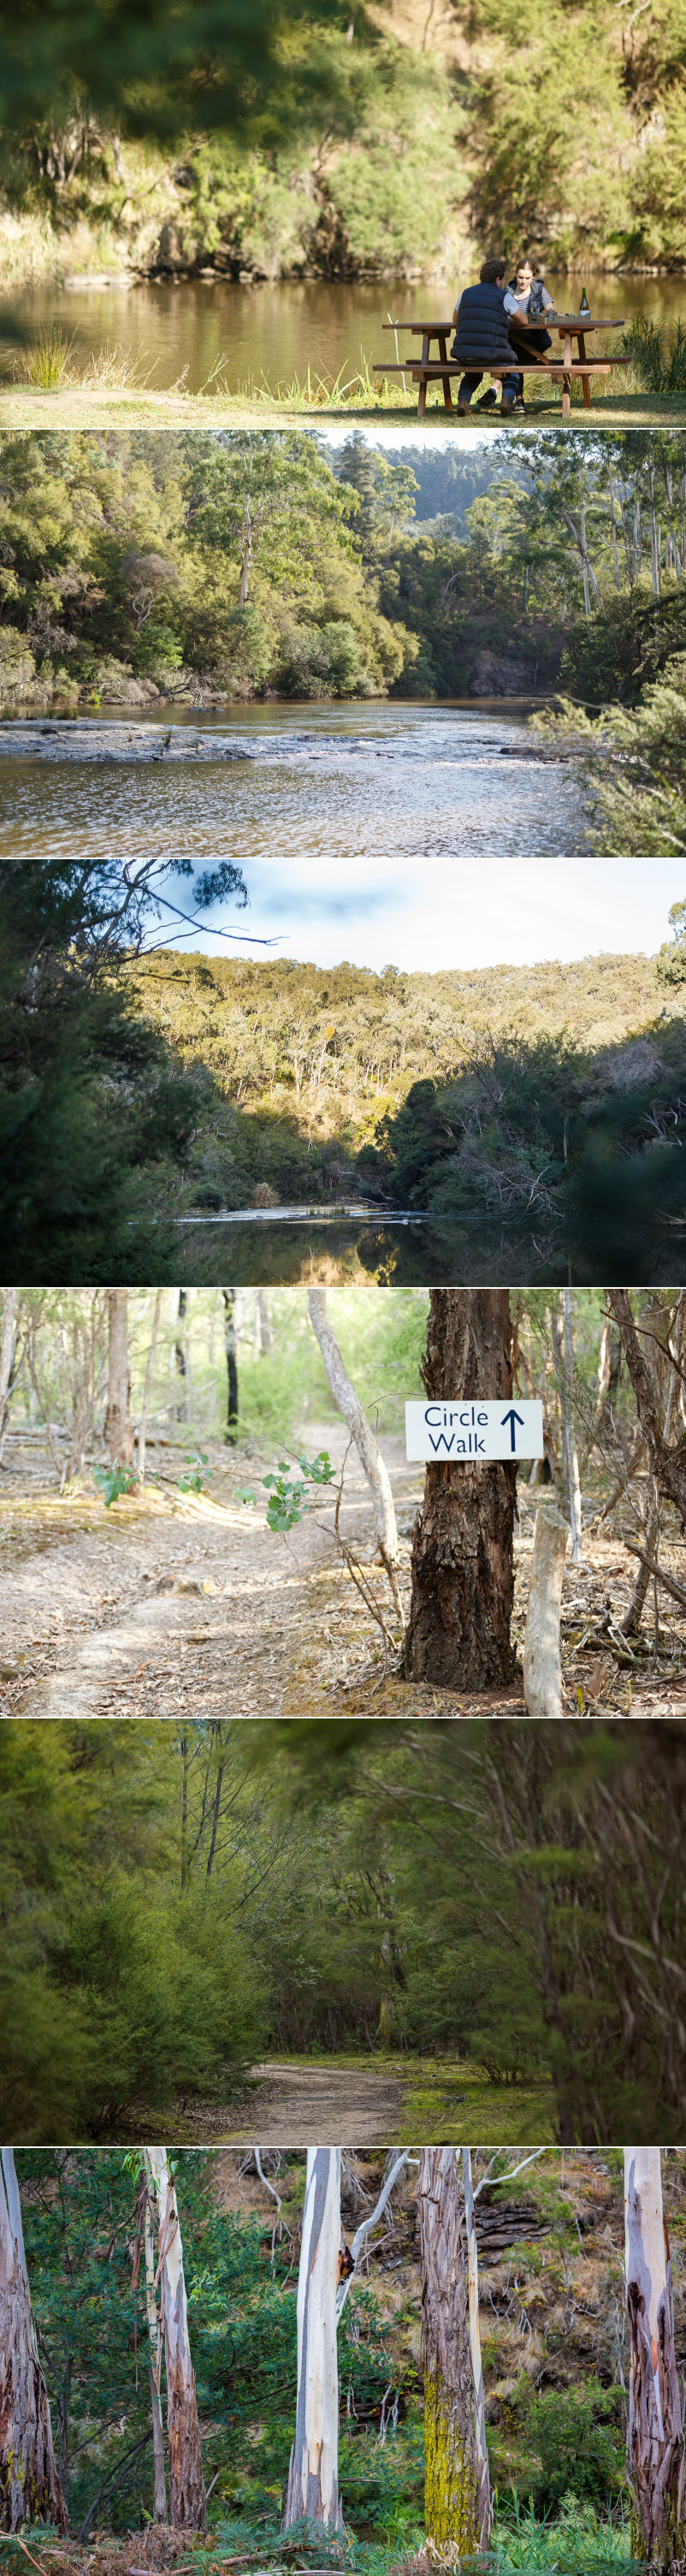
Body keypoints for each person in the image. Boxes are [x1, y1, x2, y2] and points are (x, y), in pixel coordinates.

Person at [450, 258, 522, 418]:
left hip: (465, 353)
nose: (503, 283)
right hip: (493, 356)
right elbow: (523, 321)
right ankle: (506, 402)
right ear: (498, 279)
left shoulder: (465, 293)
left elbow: (455, 320)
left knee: (473, 374)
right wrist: (506, 318)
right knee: (512, 371)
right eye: (503, 279)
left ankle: (463, 402)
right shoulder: (503, 296)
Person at [505, 259, 554, 408]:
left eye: (527, 278)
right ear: (516, 274)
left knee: (514, 359)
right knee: (514, 356)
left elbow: (551, 311)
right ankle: (516, 400)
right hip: (513, 339)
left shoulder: (539, 289)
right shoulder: (508, 290)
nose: (523, 281)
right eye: (520, 277)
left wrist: (539, 317)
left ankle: (513, 398)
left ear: (533, 276)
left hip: (535, 340)